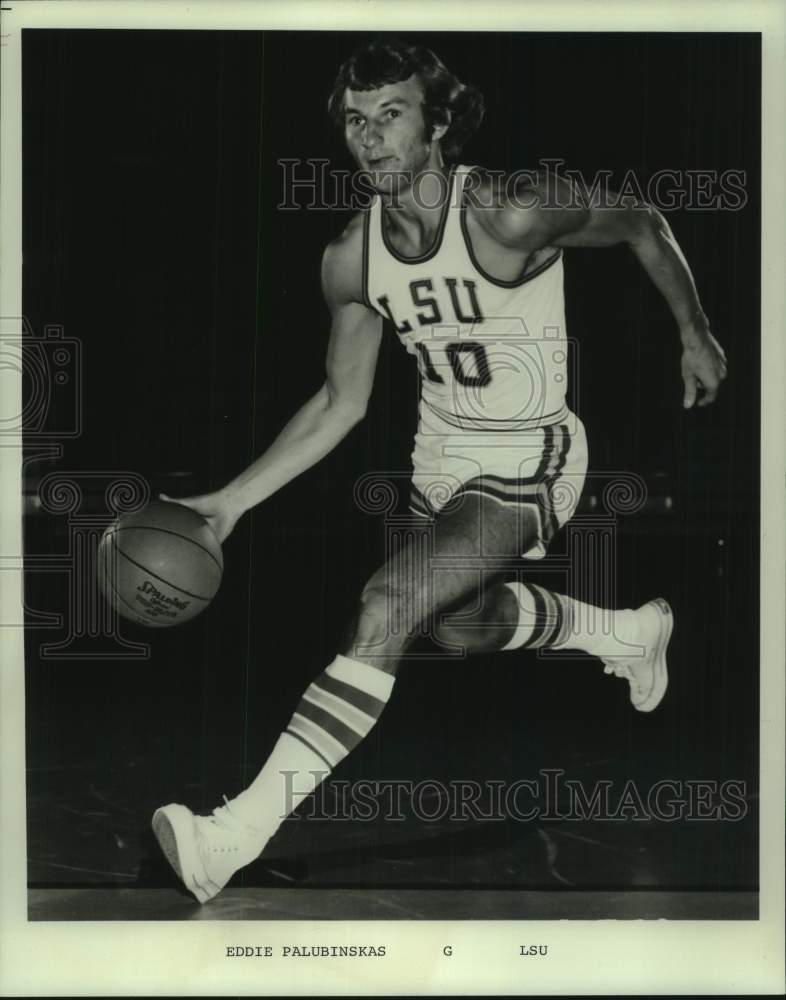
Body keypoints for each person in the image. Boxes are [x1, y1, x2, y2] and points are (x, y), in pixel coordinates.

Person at [151, 39, 727, 904]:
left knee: (386, 605)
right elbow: (339, 404)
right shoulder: (352, 259)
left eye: (392, 114)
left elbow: (643, 219)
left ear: (439, 123)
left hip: (534, 454)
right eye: (356, 119)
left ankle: (232, 837)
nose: (371, 137)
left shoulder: (510, 210)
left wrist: (695, 331)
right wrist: (230, 504)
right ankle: (626, 634)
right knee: (455, 628)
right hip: (441, 458)